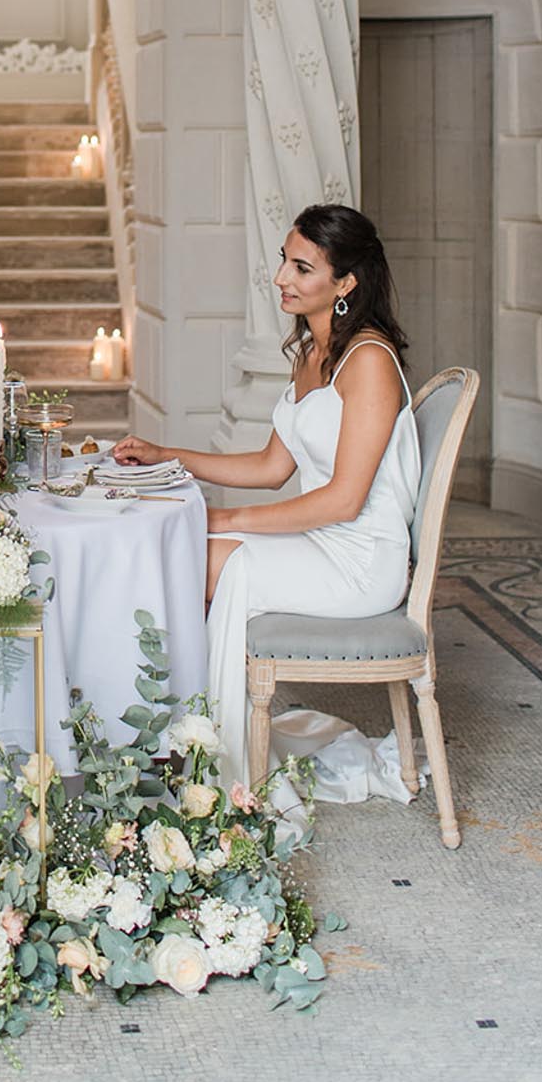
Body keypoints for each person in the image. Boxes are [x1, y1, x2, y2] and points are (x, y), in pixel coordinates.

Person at [114, 203, 420, 789]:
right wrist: (166, 454)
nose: (281, 277)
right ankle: (183, 728)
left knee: (186, 554)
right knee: (177, 544)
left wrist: (224, 517)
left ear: (345, 283)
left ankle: (189, 745)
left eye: (302, 268)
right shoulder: (311, 352)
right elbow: (272, 465)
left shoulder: (370, 363)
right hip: (321, 540)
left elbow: (343, 502)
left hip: (361, 561)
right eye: (285, 260)